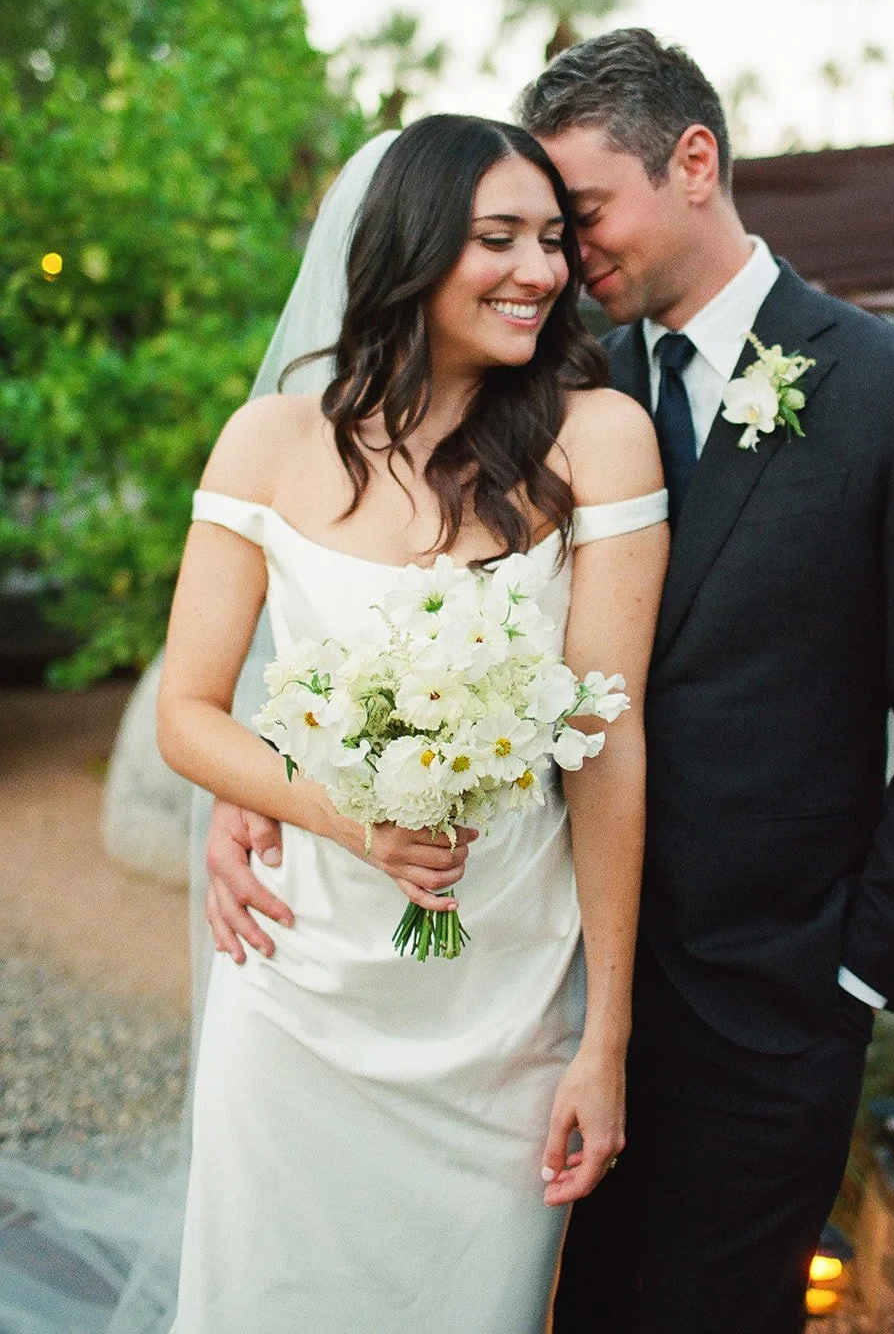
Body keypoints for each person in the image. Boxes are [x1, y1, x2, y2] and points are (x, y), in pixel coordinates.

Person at [206, 33, 894, 1334]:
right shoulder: (556, 390)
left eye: (583, 216)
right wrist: (264, 784)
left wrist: (858, 976)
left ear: (693, 162)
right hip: (538, 991)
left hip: (766, 1009)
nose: (565, 259)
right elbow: (393, 597)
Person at [155, 113, 669, 1333]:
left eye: (552, 238)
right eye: (498, 237)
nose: (540, 270)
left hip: (501, 1010)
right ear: (408, 248)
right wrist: (346, 816)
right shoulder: (269, 444)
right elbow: (188, 711)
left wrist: (605, 1037)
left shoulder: (597, 438)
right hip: (297, 989)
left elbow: (607, 742)